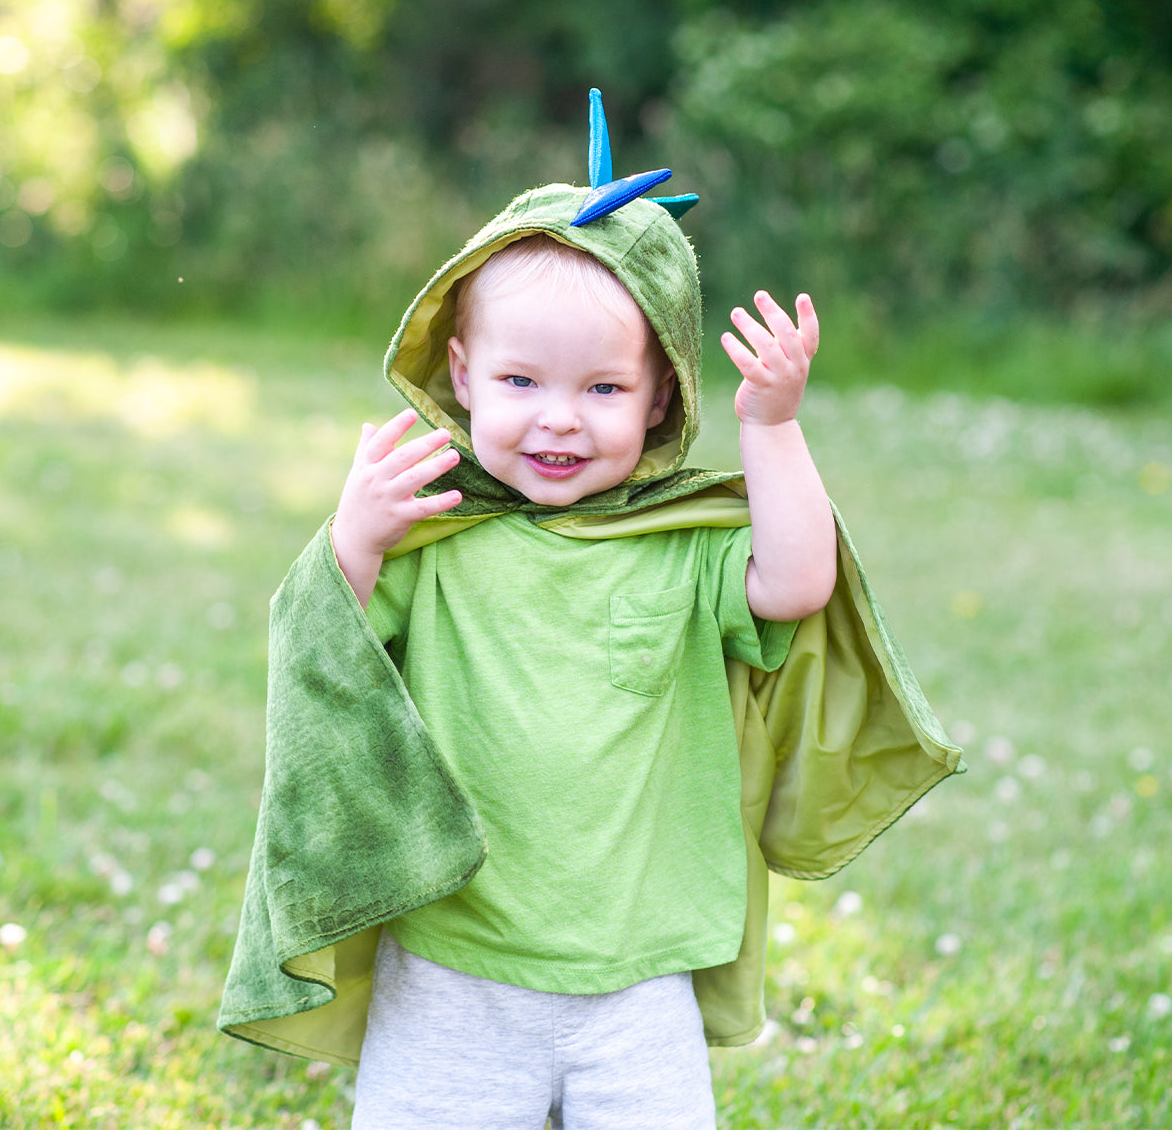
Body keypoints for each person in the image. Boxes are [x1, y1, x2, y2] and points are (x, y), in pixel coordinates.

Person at [217, 92, 963, 1130]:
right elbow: (323, 644)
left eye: (605, 389)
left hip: (636, 980)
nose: (559, 418)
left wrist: (774, 427)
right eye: (522, 379)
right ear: (465, 375)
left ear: (661, 396)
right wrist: (355, 536)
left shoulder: (684, 544)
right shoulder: (437, 537)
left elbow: (797, 585)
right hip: (453, 970)